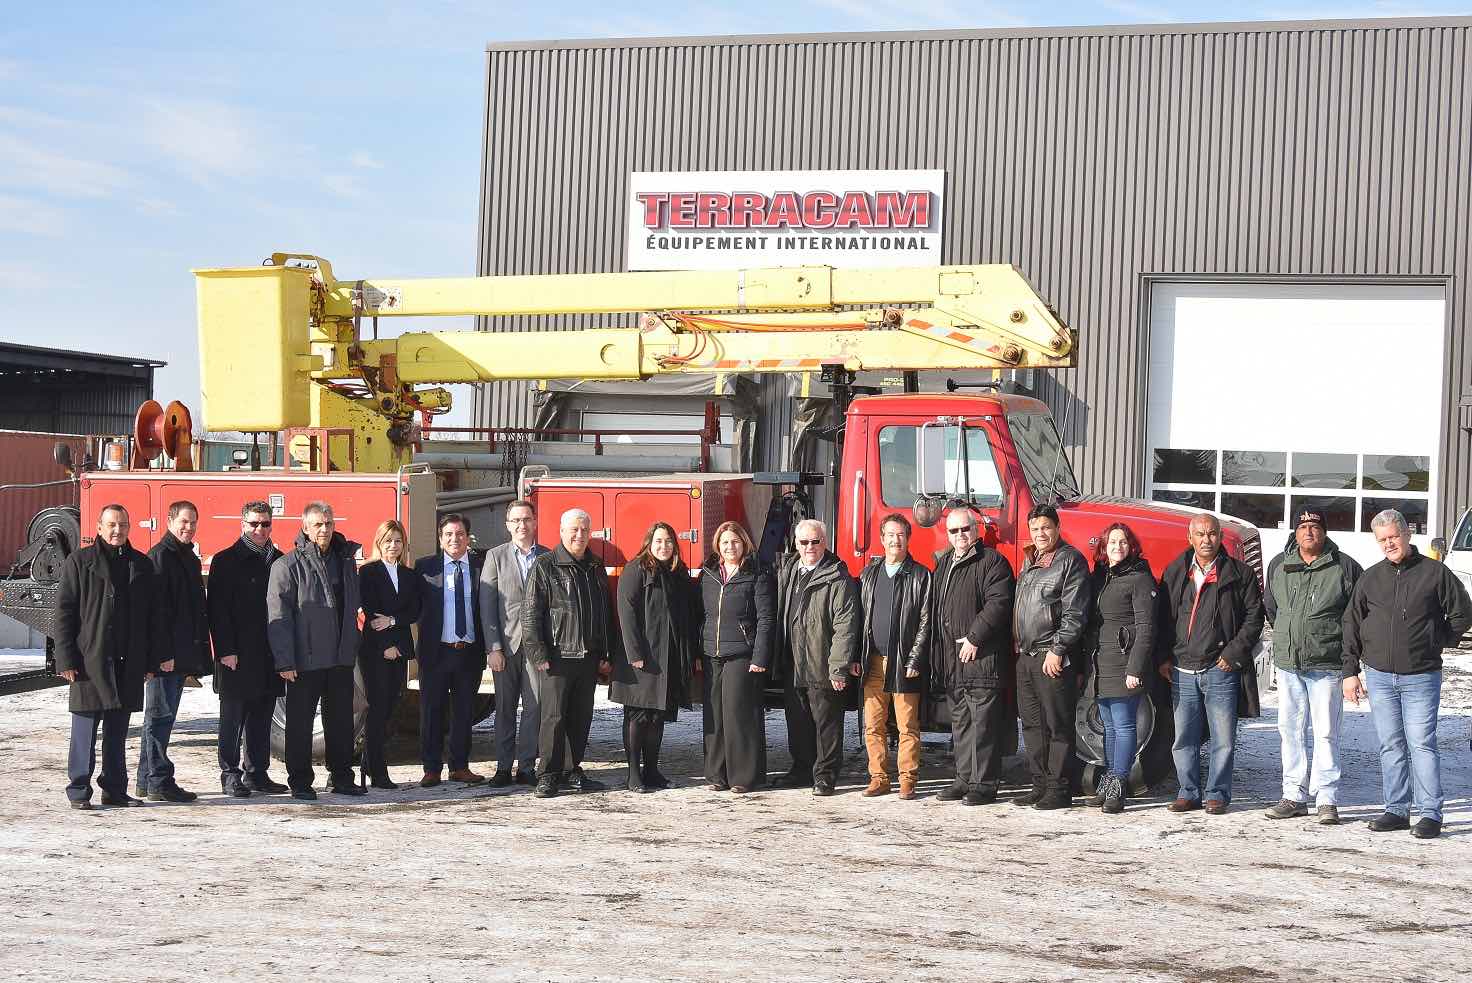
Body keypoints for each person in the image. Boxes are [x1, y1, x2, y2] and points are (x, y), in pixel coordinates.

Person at [1344, 508, 1472, 839]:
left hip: (1421, 676)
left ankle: (1430, 813)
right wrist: (1350, 670)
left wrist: (1437, 640)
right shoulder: (1370, 578)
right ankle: (1396, 810)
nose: (1389, 544)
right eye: (1383, 539)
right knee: (1390, 744)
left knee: (1421, 743)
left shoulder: (1435, 573)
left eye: (1394, 537)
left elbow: (1461, 612)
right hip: (1380, 676)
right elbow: (1352, 624)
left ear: (1407, 535)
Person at [55, 504, 163, 810]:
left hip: (128, 663)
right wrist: (66, 660)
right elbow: (64, 614)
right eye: (112, 525)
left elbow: (152, 619)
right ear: (100, 528)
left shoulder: (141, 565)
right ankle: (78, 791)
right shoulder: (79, 562)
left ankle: (114, 790)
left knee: (117, 734)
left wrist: (150, 661)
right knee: (84, 734)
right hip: (89, 661)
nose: (118, 531)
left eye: (123, 525)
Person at [1157, 512, 1264, 816]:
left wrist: (1233, 655)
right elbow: (1163, 618)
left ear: (1219, 537)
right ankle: (1188, 793)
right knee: (1183, 739)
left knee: (1223, 739)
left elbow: (1254, 618)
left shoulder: (1239, 574)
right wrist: (1163, 656)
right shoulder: (1177, 570)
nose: (1207, 540)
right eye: (1200, 534)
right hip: (1181, 669)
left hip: (1220, 669)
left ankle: (1217, 793)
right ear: (1189, 538)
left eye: (1212, 534)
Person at [1262, 507, 1362, 825]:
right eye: (1303, 526)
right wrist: (1289, 637)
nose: (1309, 531)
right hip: (1290, 663)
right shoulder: (1280, 565)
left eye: (1315, 526)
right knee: (1290, 730)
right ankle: (1293, 794)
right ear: (1295, 531)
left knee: (1326, 732)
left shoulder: (1344, 566)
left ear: (1325, 532)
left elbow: (1356, 616)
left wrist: (1349, 663)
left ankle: (1326, 798)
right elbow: (1272, 609)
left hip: (1327, 664)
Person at [266, 501, 364, 800]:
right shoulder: (287, 565)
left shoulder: (345, 560)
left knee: (340, 722)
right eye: (318, 524)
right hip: (305, 660)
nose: (324, 529)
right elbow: (278, 617)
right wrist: (285, 660)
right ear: (305, 528)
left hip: (340, 658)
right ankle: (300, 781)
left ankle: (341, 777)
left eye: (328, 523)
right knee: (299, 724)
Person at [523, 508, 618, 798]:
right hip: (558, 656)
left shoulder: (595, 565)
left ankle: (572, 768)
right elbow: (530, 614)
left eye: (585, 530)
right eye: (574, 530)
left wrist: (606, 652)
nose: (580, 535)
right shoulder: (545, 565)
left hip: (588, 656)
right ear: (562, 532)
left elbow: (604, 612)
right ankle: (548, 774)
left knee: (580, 716)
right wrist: (538, 654)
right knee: (553, 718)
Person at [931, 509, 1014, 806]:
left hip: (981, 658)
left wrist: (975, 637)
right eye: (953, 531)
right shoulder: (944, 565)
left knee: (983, 725)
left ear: (976, 529)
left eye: (965, 529)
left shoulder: (991, 562)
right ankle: (964, 779)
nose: (960, 535)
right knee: (962, 724)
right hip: (954, 663)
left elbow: (999, 603)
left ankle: (984, 784)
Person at [1012, 504, 1091, 811]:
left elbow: (1075, 612)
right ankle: (1040, 784)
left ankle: (1059, 788)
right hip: (1027, 656)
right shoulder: (1031, 561)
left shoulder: (1069, 560)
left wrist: (1059, 649)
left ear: (1058, 528)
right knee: (1032, 725)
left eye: (1045, 527)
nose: (1040, 534)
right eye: (1035, 529)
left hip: (1051, 655)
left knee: (1057, 725)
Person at [775, 519, 860, 797]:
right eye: (804, 542)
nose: (810, 547)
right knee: (797, 721)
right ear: (796, 544)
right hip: (794, 662)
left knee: (826, 724)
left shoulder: (837, 577)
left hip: (822, 663)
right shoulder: (789, 571)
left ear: (825, 542)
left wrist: (838, 669)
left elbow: (845, 626)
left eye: (816, 541)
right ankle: (801, 769)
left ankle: (825, 776)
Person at [208, 501, 287, 797]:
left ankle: (257, 773)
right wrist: (226, 650)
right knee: (232, 718)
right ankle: (230, 774)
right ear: (242, 524)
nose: (259, 529)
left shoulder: (279, 560)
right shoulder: (225, 560)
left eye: (265, 524)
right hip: (236, 656)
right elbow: (217, 611)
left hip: (268, 655)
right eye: (254, 524)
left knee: (262, 717)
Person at [612, 521, 698, 792]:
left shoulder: (677, 572)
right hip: (642, 658)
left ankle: (652, 771)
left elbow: (689, 615)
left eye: (669, 541)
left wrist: (690, 654)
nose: (664, 546)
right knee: (638, 715)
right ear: (649, 543)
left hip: (668, 657)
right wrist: (634, 653)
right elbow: (626, 612)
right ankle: (633, 774)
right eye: (659, 541)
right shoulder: (636, 569)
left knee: (657, 716)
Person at [135, 500, 212, 803]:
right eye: (183, 521)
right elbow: (156, 614)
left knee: (162, 718)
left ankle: (146, 781)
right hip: (164, 657)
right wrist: (162, 655)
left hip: (180, 655)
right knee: (158, 718)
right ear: (169, 521)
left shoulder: (188, 558)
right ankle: (158, 780)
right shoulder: (160, 557)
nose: (188, 527)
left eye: (193, 522)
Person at [857, 513, 931, 800]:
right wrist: (856, 656)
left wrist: (915, 659)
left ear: (908, 539)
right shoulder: (869, 574)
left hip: (902, 663)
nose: (895, 540)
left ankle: (907, 779)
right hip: (872, 661)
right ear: (882, 538)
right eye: (890, 534)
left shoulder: (920, 575)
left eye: (900, 535)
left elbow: (926, 621)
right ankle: (878, 778)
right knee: (873, 725)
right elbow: (860, 619)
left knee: (907, 726)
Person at [1083, 522, 1156, 814]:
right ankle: (1109, 779)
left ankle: (1119, 784)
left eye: (1123, 542)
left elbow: (1147, 628)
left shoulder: (1140, 579)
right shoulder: (1101, 577)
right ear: (1104, 546)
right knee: (1110, 728)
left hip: (1126, 662)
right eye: (1113, 542)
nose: (1118, 547)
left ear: (1132, 546)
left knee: (1125, 726)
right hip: (1102, 662)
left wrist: (1135, 668)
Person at [478, 499, 551, 787]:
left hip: (537, 647)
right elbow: (488, 604)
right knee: (505, 708)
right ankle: (502, 767)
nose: (522, 525)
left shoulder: (547, 557)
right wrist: (492, 647)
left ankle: (527, 767)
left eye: (527, 519)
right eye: (516, 521)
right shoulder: (495, 557)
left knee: (535, 708)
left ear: (535, 522)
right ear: (508, 525)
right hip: (505, 647)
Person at [699, 521, 775, 794]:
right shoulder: (708, 574)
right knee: (715, 716)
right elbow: (701, 615)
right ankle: (716, 775)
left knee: (738, 715)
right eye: (725, 542)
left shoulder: (756, 574)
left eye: (735, 541)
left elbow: (766, 619)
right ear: (717, 545)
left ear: (745, 544)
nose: (730, 547)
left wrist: (760, 656)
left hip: (743, 654)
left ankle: (745, 776)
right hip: (712, 654)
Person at [413, 513, 488, 788]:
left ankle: (459, 766)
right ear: (440, 538)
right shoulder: (424, 568)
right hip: (436, 653)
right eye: (448, 535)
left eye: (459, 535)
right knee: (431, 711)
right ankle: (431, 768)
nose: (454, 539)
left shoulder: (482, 566)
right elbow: (410, 604)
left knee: (464, 712)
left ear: (468, 538)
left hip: (469, 652)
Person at [358, 519, 424, 790]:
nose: (393, 546)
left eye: (398, 541)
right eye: (388, 541)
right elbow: (372, 613)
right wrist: (386, 644)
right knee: (378, 709)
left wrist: (395, 623)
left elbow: (415, 610)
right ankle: (378, 771)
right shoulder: (369, 572)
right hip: (376, 650)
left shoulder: (409, 575)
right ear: (379, 543)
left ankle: (368, 763)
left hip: (400, 649)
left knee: (392, 708)